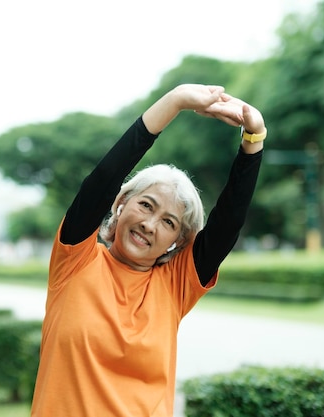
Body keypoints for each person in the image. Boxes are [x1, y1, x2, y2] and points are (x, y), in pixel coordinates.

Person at [30, 83, 266, 417]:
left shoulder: (174, 286)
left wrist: (253, 138)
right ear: (121, 203)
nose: (150, 225)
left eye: (169, 222)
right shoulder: (75, 259)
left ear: (176, 241)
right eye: (145, 205)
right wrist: (176, 101)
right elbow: (103, 178)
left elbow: (227, 223)